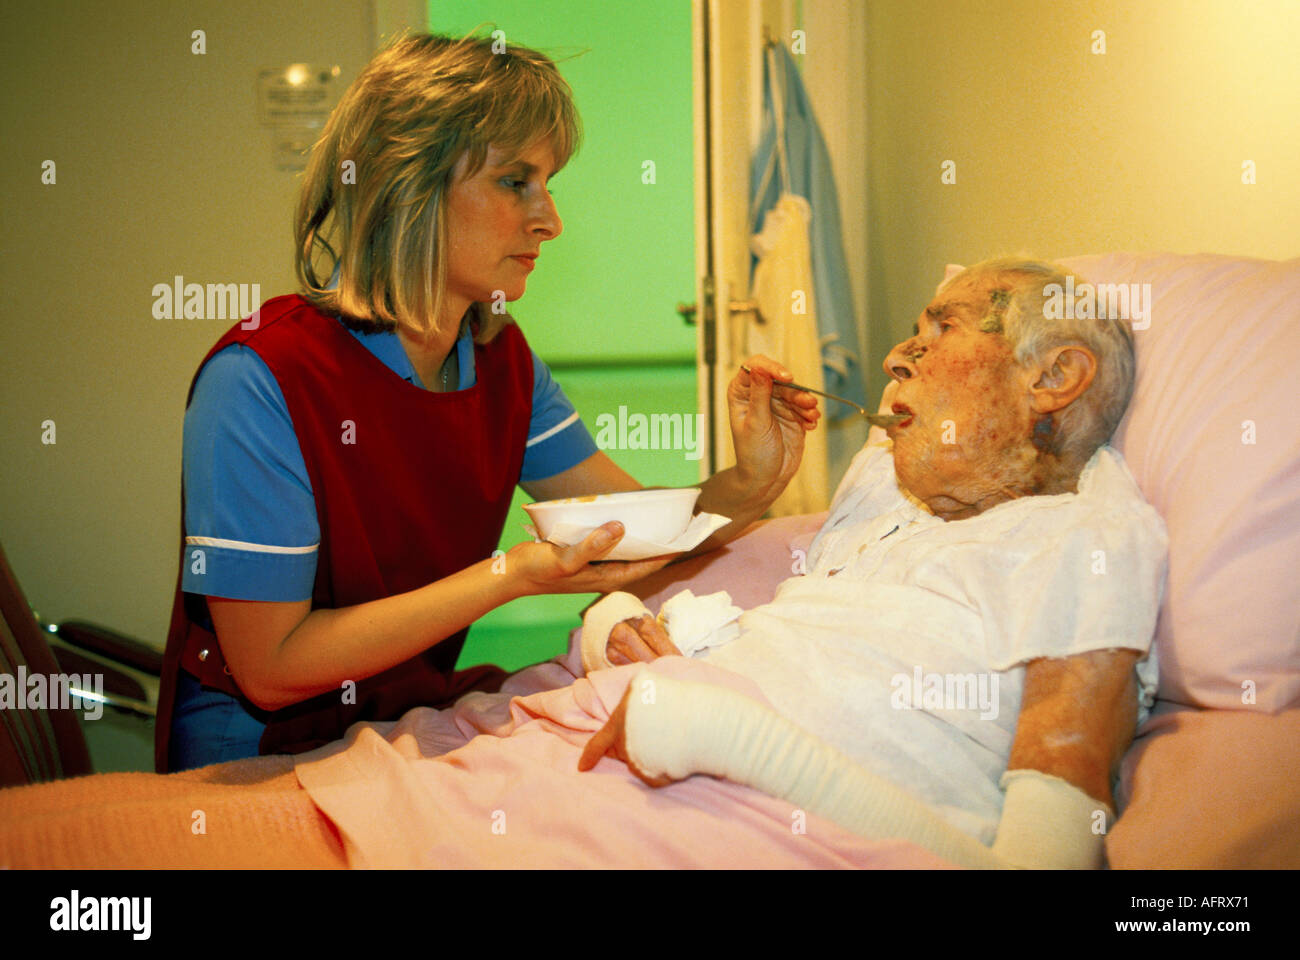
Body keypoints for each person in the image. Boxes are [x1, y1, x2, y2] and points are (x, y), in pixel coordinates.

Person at [156, 32, 819, 772]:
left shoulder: (500, 358)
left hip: (399, 721)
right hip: (259, 751)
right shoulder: (262, 377)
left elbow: (635, 535)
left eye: (549, 183)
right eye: (516, 182)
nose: (550, 219)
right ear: (407, 184)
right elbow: (272, 668)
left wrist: (753, 476)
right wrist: (515, 574)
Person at [577, 257, 1168, 868]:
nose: (896, 358)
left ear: (1053, 376)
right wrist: (622, 635)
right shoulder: (884, 497)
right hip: (619, 768)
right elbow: (792, 664)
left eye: (943, 330)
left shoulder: (1086, 541)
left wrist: (720, 734)